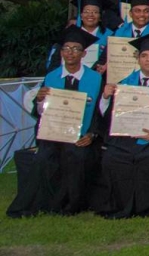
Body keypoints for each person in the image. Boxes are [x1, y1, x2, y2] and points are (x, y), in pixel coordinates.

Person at [9, 27, 105, 217]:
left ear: (84, 53)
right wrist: (39, 100)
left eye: (76, 48)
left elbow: (100, 113)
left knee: (77, 155)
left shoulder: (95, 79)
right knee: (44, 157)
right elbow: (42, 113)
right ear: (61, 52)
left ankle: (71, 205)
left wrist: (92, 134)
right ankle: (44, 203)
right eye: (66, 48)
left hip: (81, 136)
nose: (70, 52)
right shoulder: (51, 77)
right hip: (54, 135)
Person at [96, 32, 149, 218]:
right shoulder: (123, 84)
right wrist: (104, 97)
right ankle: (118, 205)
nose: (148, 60)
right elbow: (107, 116)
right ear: (138, 58)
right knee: (112, 157)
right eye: (144, 55)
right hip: (125, 138)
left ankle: (147, 206)